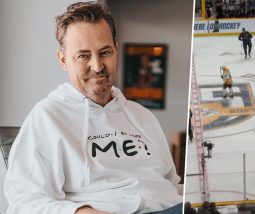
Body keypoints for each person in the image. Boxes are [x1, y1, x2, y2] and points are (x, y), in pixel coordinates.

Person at [4, 2, 182, 214]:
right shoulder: (47, 117)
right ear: (63, 60)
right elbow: (24, 203)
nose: (97, 66)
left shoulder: (142, 116)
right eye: (83, 55)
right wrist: (81, 212)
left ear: (116, 49)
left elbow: (172, 184)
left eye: (105, 52)